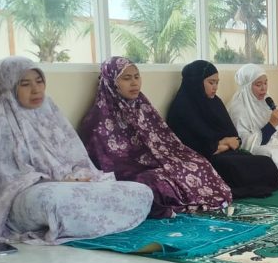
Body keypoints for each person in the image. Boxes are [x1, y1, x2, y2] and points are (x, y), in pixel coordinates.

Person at [0, 56, 153, 244]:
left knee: (141, 192)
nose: (36, 89)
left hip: (68, 183)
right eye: (25, 84)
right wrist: (54, 179)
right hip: (26, 193)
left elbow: (76, 155)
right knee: (55, 201)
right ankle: (79, 220)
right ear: (9, 85)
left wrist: (77, 175)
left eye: (39, 81)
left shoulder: (48, 107)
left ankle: (79, 223)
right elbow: (2, 176)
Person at [78, 56, 232, 218]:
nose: (134, 83)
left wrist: (170, 160)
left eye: (137, 77)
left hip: (156, 160)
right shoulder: (97, 119)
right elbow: (105, 162)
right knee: (155, 180)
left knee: (197, 163)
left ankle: (195, 198)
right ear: (111, 82)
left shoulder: (141, 106)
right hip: (130, 171)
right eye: (126, 78)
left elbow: (164, 138)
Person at [166, 60, 278, 199]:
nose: (215, 87)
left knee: (265, 162)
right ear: (196, 82)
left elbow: (235, 138)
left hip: (224, 152)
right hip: (205, 158)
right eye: (211, 82)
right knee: (233, 166)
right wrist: (223, 143)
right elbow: (189, 147)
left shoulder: (215, 102)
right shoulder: (182, 107)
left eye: (217, 83)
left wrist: (226, 143)